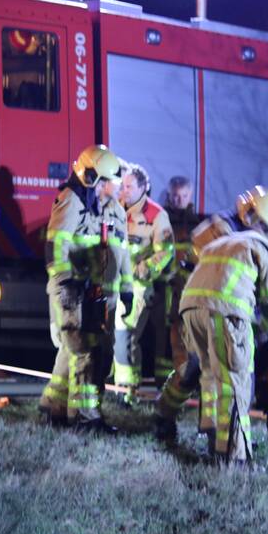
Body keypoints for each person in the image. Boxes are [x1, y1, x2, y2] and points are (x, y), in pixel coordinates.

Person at [155, 186, 268, 464]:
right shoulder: (255, 243)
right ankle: (229, 452)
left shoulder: (225, 234)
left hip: (194, 306)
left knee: (199, 372)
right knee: (228, 380)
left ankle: (177, 420)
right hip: (219, 311)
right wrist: (255, 336)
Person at [39, 144, 132, 433]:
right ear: (92, 178)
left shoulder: (104, 207)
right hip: (72, 289)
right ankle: (84, 418)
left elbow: (120, 252)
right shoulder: (72, 201)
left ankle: (53, 407)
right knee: (84, 351)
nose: (112, 187)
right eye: (107, 182)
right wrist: (66, 282)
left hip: (92, 292)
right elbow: (57, 246)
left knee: (76, 352)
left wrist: (126, 288)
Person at [113, 163, 174, 406]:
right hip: (112, 284)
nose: (124, 190)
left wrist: (141, 270)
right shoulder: (116, 209)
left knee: (126, 337)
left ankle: (126, 391)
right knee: (115, 338)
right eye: (123, 186)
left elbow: (165, 252)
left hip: (138, 287)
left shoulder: (156, 215)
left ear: (143, 187)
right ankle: (117, 387)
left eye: (129, 186)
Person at [156, 176, 201, 388]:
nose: (179, 200)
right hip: (163, 285)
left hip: (186, 288)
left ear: (190, 195)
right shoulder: (162, 219)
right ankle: (162, 380)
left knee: (183, 334)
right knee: (162, 334)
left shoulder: (196, 224)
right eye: (175, 195)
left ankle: (182, 379)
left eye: (183, 195)